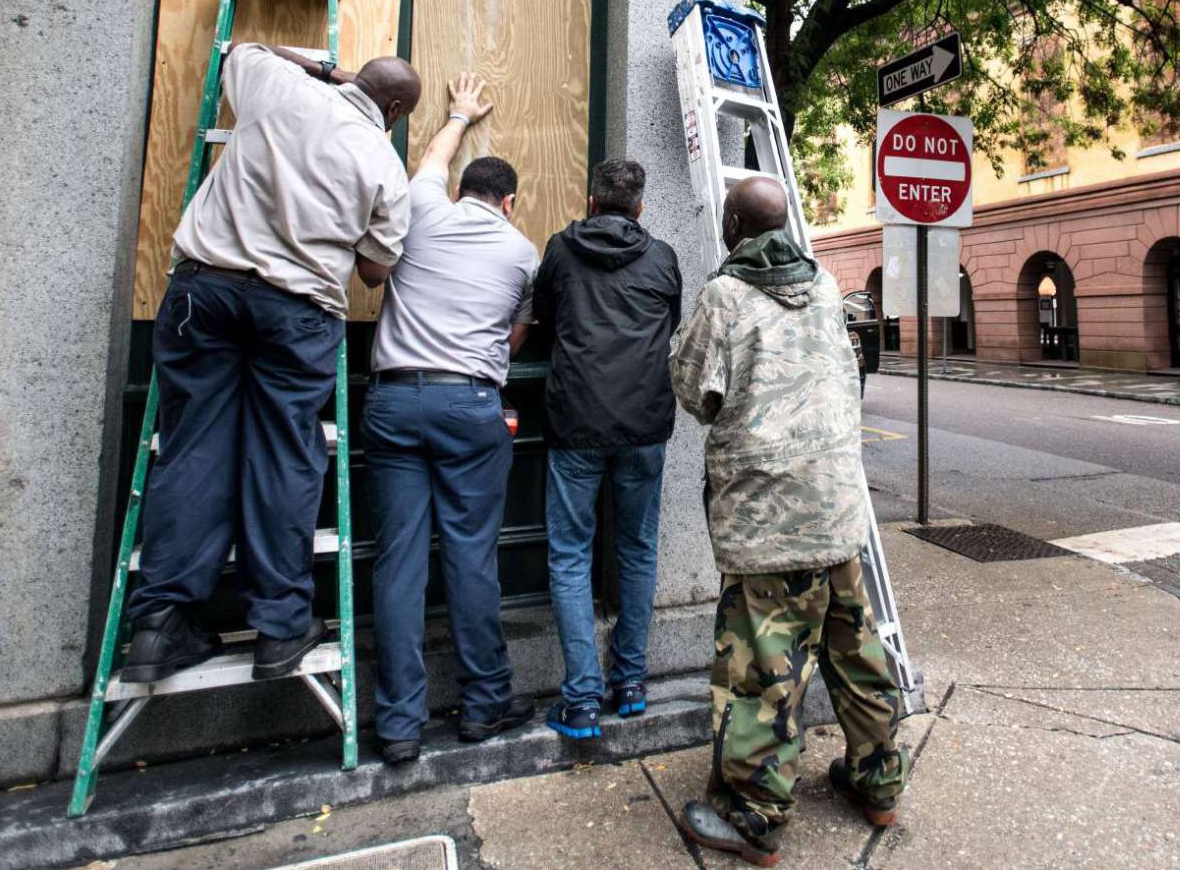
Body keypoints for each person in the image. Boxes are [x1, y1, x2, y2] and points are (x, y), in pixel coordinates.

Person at [124, 44, 418, 685]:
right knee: (285, 455)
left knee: (191, 447)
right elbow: (375, 270)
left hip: (205, 289)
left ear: (354, 79)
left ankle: (159, 626)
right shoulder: (383, 163)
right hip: (298, 310)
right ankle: (280, 628)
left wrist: (325, 69)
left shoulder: (277, 87)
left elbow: (242, 48)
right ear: (393, 110)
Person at [668, 176, 907, 866]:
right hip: (838, 512)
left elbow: (694, 391)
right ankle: (879, 782)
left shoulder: (725, 296)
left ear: (734, 226)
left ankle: (752, 814)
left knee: (763, 674)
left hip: (766, 523)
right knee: (856, 654)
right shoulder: (829, 287)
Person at [365, 73, 541, 762]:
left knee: (399, 562)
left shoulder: (421, 210)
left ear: (462, 191)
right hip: (470, 404)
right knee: (471, 557)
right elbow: (514, 338)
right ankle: (484, 703)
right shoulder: (522, 253)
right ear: (510, 202)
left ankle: (400, 725)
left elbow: (431, 163)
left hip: (395, 399)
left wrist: (460, 114)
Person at [533, 158, 682, 740]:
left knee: (570, 555)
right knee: (638, 550)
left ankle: (581, 701)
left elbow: (543, 315)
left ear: (592, 202)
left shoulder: (561, 250)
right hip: (644, 423)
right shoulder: (662, 257)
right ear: (639, 206)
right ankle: (632, 683)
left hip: (575, 420)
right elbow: (671, 324)